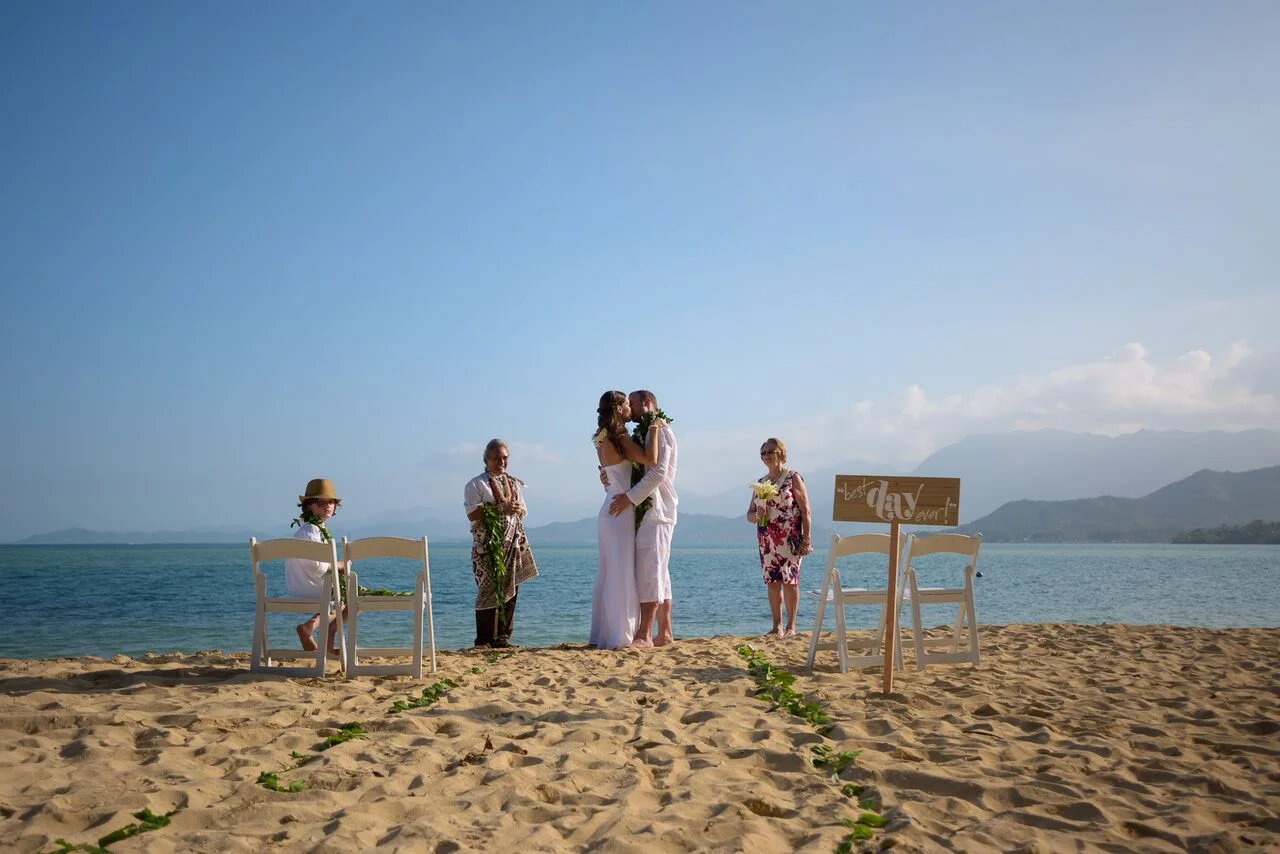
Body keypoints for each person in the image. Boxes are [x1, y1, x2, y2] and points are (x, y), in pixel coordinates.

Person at [590, 391, 664, 650]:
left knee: (609, 571)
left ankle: (604, 632)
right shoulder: (619, 437)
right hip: (620, 512)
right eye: (625, 404)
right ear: (618, 408)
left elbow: (608, 474)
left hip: (608, 509)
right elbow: (651, 459)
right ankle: (620, 634)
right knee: (621, 571)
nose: (629, 408)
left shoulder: (601, 438)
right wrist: (654, 427)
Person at [608, 389, 678, 648]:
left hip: (656, 509)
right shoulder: (646, 431)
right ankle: (666, 632)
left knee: (650, 571)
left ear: (647, 403)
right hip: (649, 509)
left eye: (633, 403)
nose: (630, 407)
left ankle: (645, 633)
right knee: (660, 571)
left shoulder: (659, 429)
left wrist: (629, 497)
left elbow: (658, 472)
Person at [464, 439, 539, 648]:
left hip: (512, 543)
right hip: (487, 546)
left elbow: (522, 510)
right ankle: (484, 639)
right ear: (486, 460)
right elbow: (472, 514)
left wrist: (515, 509)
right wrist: (500, 508)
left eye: (505, 458)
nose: (502, 462)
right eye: (497, 458)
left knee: (511, 587)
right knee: (487, 589)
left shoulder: (513, 483)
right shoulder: (476, 484)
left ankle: (502, 637)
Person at [747, 438, 814, 638]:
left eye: (770, 451)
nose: (766, 455)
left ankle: (791, 627)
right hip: (766, 537)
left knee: (790, 580)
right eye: (763, 452)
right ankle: (777, 626)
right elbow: (749, 514)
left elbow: (805, 510)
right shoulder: (761, 483)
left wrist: (806, 538)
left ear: (781, 453)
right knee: (772, 581)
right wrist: (756, 515)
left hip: (789, 536)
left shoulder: (793, 477)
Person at [286, 478, 346, 654]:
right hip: (311, 586)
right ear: (309, 505)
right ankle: (311, 628)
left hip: (301, 585)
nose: (327, 506)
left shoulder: (310, 529)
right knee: (351, 597)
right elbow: (315, 566)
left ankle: (324, 645)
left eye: (331, 502)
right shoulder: (311, 531)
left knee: (347, 596)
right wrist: (340, 565)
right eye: (321, 502)